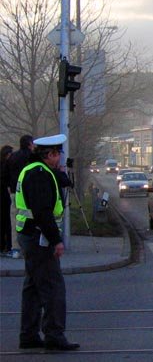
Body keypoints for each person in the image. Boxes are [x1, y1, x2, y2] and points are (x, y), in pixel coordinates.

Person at [15, 133, 79, 351]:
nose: (60, 158)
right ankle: (54, 335)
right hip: (38, 237)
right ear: (50, 154)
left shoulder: (34, 170)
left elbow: (62, 182)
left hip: (29, 234)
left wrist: (61, 173)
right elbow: (43, 211)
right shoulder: (40, 174)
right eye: (58, 154)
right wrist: (56, 241)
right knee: (53, 287)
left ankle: (29, 334)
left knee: (33, 287)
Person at [8, 135, 34, 257]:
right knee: (30, 220)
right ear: (29, 144)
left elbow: (6, 173)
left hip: (14, 192)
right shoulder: (32, 158)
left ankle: (15, 248)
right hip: (29, 193)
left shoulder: (13, 156)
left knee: (15, 220)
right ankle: (28, 247)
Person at [1, 145, 13, 255]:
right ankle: (7, 246)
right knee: (7, 222)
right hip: (5, 197)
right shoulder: (7, 166)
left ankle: (3, 246)